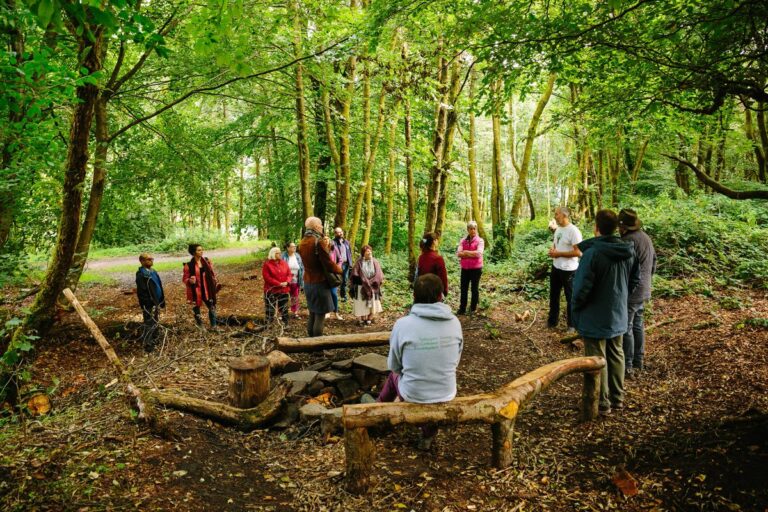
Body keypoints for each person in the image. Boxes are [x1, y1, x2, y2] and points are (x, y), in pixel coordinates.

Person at [377, 274, 463, 450]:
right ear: (441, 296)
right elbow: (456, 360)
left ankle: (377, 412)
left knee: (394, 376)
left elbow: (394, 365)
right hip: (446, 391)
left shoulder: (403, 324)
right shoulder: (455, 322)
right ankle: (428, 434)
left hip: (414, 394)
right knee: (425, 383)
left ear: (414, 297)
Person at [572, 209, 640, 415]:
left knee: (596, 358)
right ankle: (617, 398)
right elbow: (635, 280)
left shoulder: (592, 253)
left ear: (597, 228)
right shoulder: (629, 250)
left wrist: (576, 306)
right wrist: (620, 298)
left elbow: (582, 287)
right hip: (618, 313)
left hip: (595, 315)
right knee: (616, 353)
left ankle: (602, 403)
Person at [618, 208, 657, 378]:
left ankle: (628, 365)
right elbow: (654, 262)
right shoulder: (645, 237)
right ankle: (638, 361)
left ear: (622, 226)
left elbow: (625, 269)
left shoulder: (628, 241)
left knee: (627, 327)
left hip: (632, 291)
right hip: (644, 288)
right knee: (637, 324)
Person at [298, 216, 342, 337]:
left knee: (312, 314)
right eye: (321, 225)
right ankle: (317, 349)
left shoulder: (302, 242)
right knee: (320, 316)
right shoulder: (318, 241)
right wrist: (341, 270)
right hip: (320, 283)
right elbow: (328, 264)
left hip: (308, 283)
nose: (322, 227)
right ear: (316, 227)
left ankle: (310, 344)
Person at [547, 207, 583, 331]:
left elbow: (578, 252)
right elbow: (556, 245)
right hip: (556, 267)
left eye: (557, 214)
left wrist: (559, 254)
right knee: (554, 295)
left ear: (564, 215)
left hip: (569, 270)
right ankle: (552, 322)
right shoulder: (558, 229)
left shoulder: (574, 231)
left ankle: (572, 325)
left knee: (570, 298)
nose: (555, 216)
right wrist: (553, 250)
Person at [183, 244, 220, 329]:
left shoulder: (207, 261)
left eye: (202, 250)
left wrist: (214, 280)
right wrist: (190, 280)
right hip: (196, 290)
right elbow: (185, 279)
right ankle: (201, 326)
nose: (201, 251)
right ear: (193, 252)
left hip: (207, 288)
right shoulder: (188, 265)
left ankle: (214, 326)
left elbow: (211, 273)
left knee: (212, 305)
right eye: (199, 250)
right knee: (197, 307)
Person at [135, 253, 165, 352]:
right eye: (148, 259)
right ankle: (148, 344)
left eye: (152, 259)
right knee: (148, 323)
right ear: (142, 261)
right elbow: (142, 292)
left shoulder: (153, 272)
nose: (151, 261)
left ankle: (155, 340)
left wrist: (161, 300)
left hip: (156, 302)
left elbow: (159, 285)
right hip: (149, 304)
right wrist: (148, 303)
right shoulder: (141, 274)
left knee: (155, 321)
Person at [455, 220, 484, 315]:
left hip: (476, 269)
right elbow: (458, 253)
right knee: (463, 288)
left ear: (476, 229)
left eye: (474, 229)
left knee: (474, 288)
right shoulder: (463, 240)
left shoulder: (480, 240)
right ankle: (462, 308)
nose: (473, 230)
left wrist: (465, 252)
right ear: (468, 229)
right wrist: (470, 253)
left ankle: (473, 309)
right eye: (471, 229)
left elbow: (478, 254)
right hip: (465, 269)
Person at [350, 245, 384, 325]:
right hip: (361, 286)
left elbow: (379, 274)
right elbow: (354, 274)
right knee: (361, 303)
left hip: (373, 286)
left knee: (373, 303)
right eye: (367, 251)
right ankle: (361, 319)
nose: (369, 253)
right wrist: (364, 281)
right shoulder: (359, 262)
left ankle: (369, 318)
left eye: (370, 251)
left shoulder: (375, 261)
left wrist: (372, 282)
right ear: (363, 253)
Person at [262, 247, 291, 325]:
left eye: (280, 252)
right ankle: (268, 325)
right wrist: (279, 283)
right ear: (273, 254)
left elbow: (289, 274)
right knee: (270, 309)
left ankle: (286, 324)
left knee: (284, 308)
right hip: (271, 290)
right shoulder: (267, 264)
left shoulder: (284, 263)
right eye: (278, 253)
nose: (280, 254)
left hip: (284, 290)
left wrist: (287, 282)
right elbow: (267, 278)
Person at [417, 232, 448, 300]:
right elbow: (443, 277)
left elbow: (418, 275)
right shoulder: (438, 258)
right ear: (434, 241)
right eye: (437, 239)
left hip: (421, 292)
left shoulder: (421, 257)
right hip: (434, 293)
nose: (438, 241)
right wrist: (444, 292)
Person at [282, 242, 304, 319]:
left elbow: (301, 267)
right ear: (287, 248)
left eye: (295, 246)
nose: (294, 248)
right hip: (285, 280)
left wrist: (301, 279)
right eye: (292, 246)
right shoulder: (283, 256)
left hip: (296, 280)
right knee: (283, 297)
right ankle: (282, 314)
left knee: (295, 296)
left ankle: (295, 312)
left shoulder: (297, 256)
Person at [332, 227, 353, 302]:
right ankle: (334, 296)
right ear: (335, 234)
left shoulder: (346, 242)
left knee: (345, 280)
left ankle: (343, 296)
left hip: (346, 264)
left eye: (341, 232)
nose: (340, 233)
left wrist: (350, 263)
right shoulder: (333, 243)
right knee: (336, 280)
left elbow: (349, 253)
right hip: (338, 264)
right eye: (338, 232)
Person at [327, 245, 343, 321]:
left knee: (334, 294)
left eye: (327, 239)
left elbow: (340, 259)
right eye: (324, 239)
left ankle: (336, 313)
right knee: (326, 294)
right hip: (324, 275)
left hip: (333, 274)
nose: (326, 241)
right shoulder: (321, 249)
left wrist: (336, 267)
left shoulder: (334, 249)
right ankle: (328, 312)